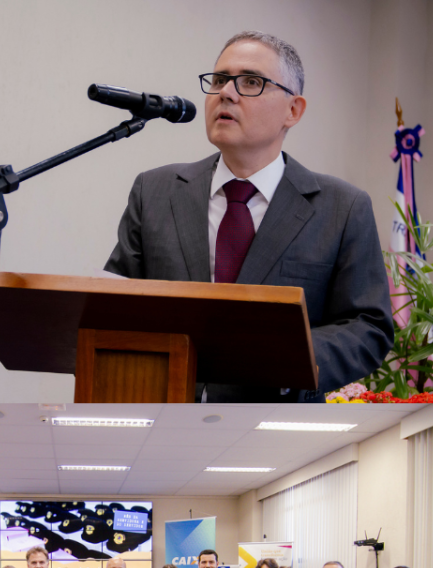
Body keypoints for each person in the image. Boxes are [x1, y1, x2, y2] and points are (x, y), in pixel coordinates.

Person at [104, 31, 393, 401]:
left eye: (251, 82)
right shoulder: (154, 191)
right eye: (219, 79)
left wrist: (292, 358)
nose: (226, 92)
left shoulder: (342, 207)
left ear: (293, 110)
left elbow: (368, 326)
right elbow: (111, 306)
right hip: (162, 411)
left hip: (275, 420)